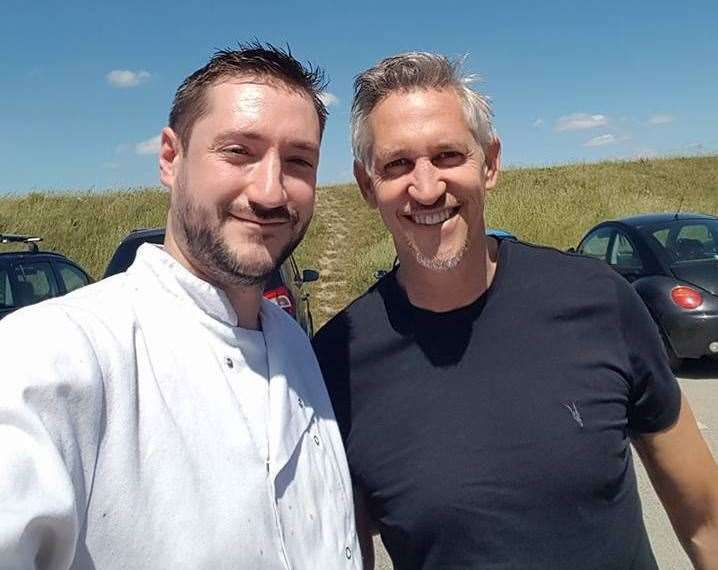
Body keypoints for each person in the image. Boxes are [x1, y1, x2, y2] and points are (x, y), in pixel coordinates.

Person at [312, 51, 718, 569]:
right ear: (368, 185)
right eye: (397, 164)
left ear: (491, 163)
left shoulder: (599, 299)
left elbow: (706, 518)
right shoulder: (336, 361)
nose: (427, 186)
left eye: (448, 156)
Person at [0, 43, 361, 569]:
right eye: (238, 151)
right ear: (171, 157)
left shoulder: (295, 346)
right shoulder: (52, 356)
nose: (269, 191)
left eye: (298, 161)